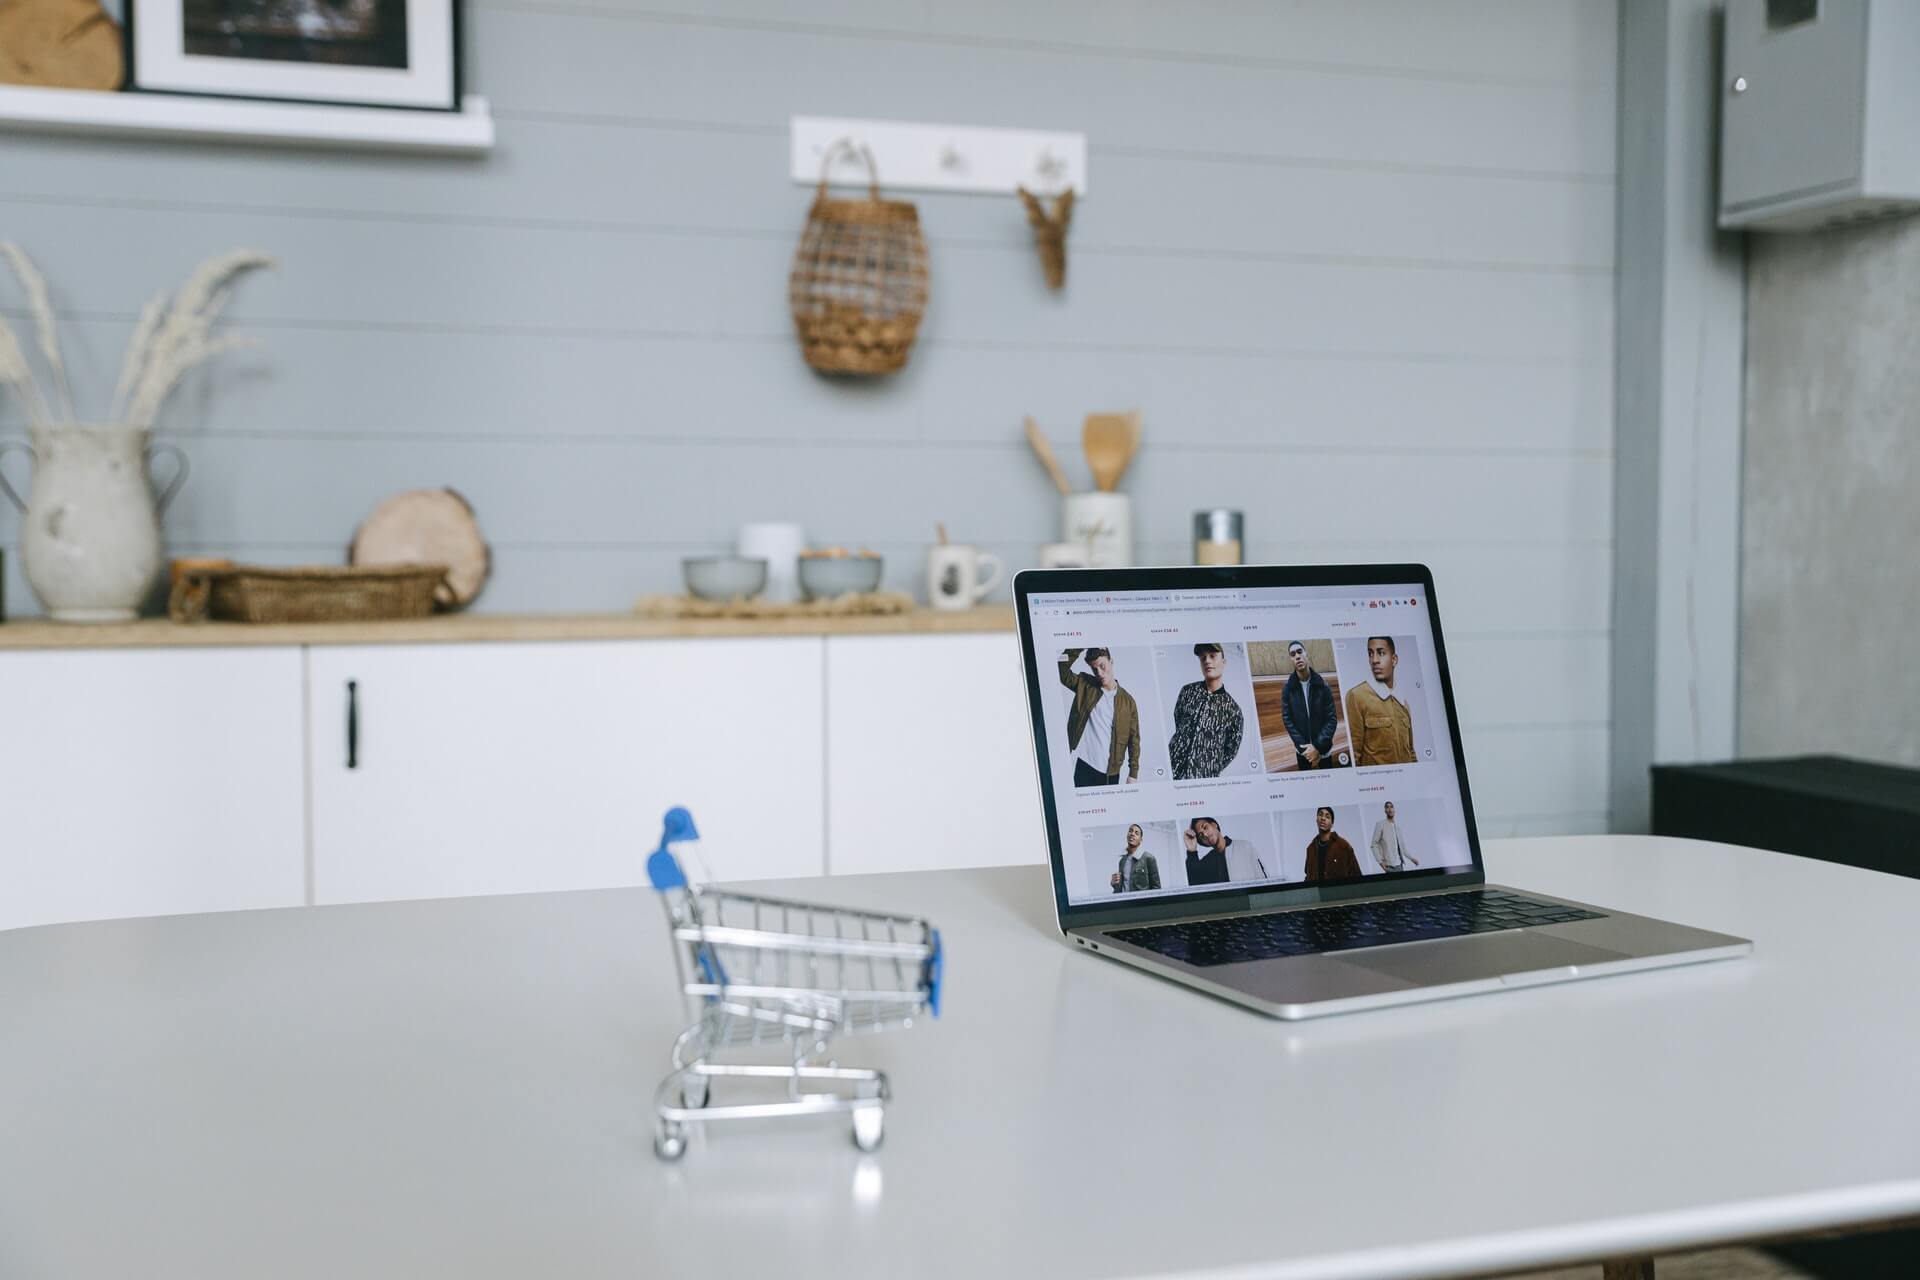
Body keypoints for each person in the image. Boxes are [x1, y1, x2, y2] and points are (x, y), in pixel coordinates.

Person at [1057, 646, 1141, 788]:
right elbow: (1060, 669)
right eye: (1094, 669)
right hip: (1085, 767)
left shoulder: (1128, 702)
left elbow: (1134, 739)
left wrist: (1133, 774)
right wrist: (1078, 646)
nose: (1100, 673)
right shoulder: (1085, 686)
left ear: (1111, 661)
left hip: (1111, 774)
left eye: (1102, 666)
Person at [1167, 643, 1246, 780]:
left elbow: (1230, 750)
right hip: (1172, 771)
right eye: (1202, 657)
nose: (1207, 661)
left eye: (1212, 656)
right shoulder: (1187, 692)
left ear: (1224, 662)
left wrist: (1209, 766)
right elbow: (1179, 722)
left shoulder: (1233, 710)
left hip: (1203, 780)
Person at [1344, 635, 1415, 766]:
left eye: (1381, 653)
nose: (1374, 660)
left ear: (1394, 660)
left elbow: (1411, 752)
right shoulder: (1356, 696)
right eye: (1370, 654)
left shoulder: (1403, 703)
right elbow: (1353, 757)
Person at [1279, 640, 1340, 769]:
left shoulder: (1323, 686)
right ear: (1291, 659)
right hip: (1303, 751)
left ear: (1307, 655)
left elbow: (1332, 719)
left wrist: (1317, 747)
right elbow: (1287, 720)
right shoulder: (1288, 689)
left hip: (1323, 748)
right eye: (1293, 654)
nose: (1297, 656)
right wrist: (1306, 750)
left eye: (1300, 652)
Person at [1191, 815, 1269, 883]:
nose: (1205, 834)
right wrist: (1191, 851)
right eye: (1201, 836)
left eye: (1205, 827)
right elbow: (1196, 883)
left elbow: (1263, 877)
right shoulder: (1206, 861)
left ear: (1214, 825)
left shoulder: (1244, 846)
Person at [1301, 806, 1361, 882]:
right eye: (1320, 814)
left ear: (1332, 824)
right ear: (1316, 819)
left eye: (1327, 816)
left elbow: (1356, 874)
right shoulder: (1310, 848)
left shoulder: (1343, 845)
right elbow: (1308, 876)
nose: (1323, 818)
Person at [1369, 801, 1420, 873]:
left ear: (1394, 810)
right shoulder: (1380, 824)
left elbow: (1403, 848)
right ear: (1385, 811)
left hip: (1400, 866)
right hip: (1389, 867)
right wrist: (1380, 862)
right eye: (1387, 807)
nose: (1390, 809)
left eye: (1391, 807)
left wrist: (1411, 858)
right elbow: (1374, 844)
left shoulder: (1398, 828)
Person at [1110, 823, 1160, 893]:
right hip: (1124, 902)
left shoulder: (1149, 858)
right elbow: (1122, 886)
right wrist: (1114, 884)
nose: (1132, 834)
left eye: (1136, 833)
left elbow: (1156, 888)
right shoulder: (1122, 860)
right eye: (1130, 831)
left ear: (1141, 840)